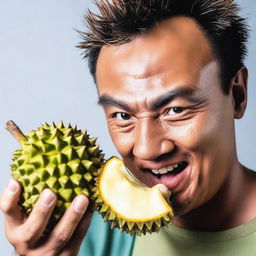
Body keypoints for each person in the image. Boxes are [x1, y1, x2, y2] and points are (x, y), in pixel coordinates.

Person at [1, 0, 256, 255]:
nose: (146, 149)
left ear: (237, 95)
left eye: (175, 110)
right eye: (123, 115)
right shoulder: (80, 232)